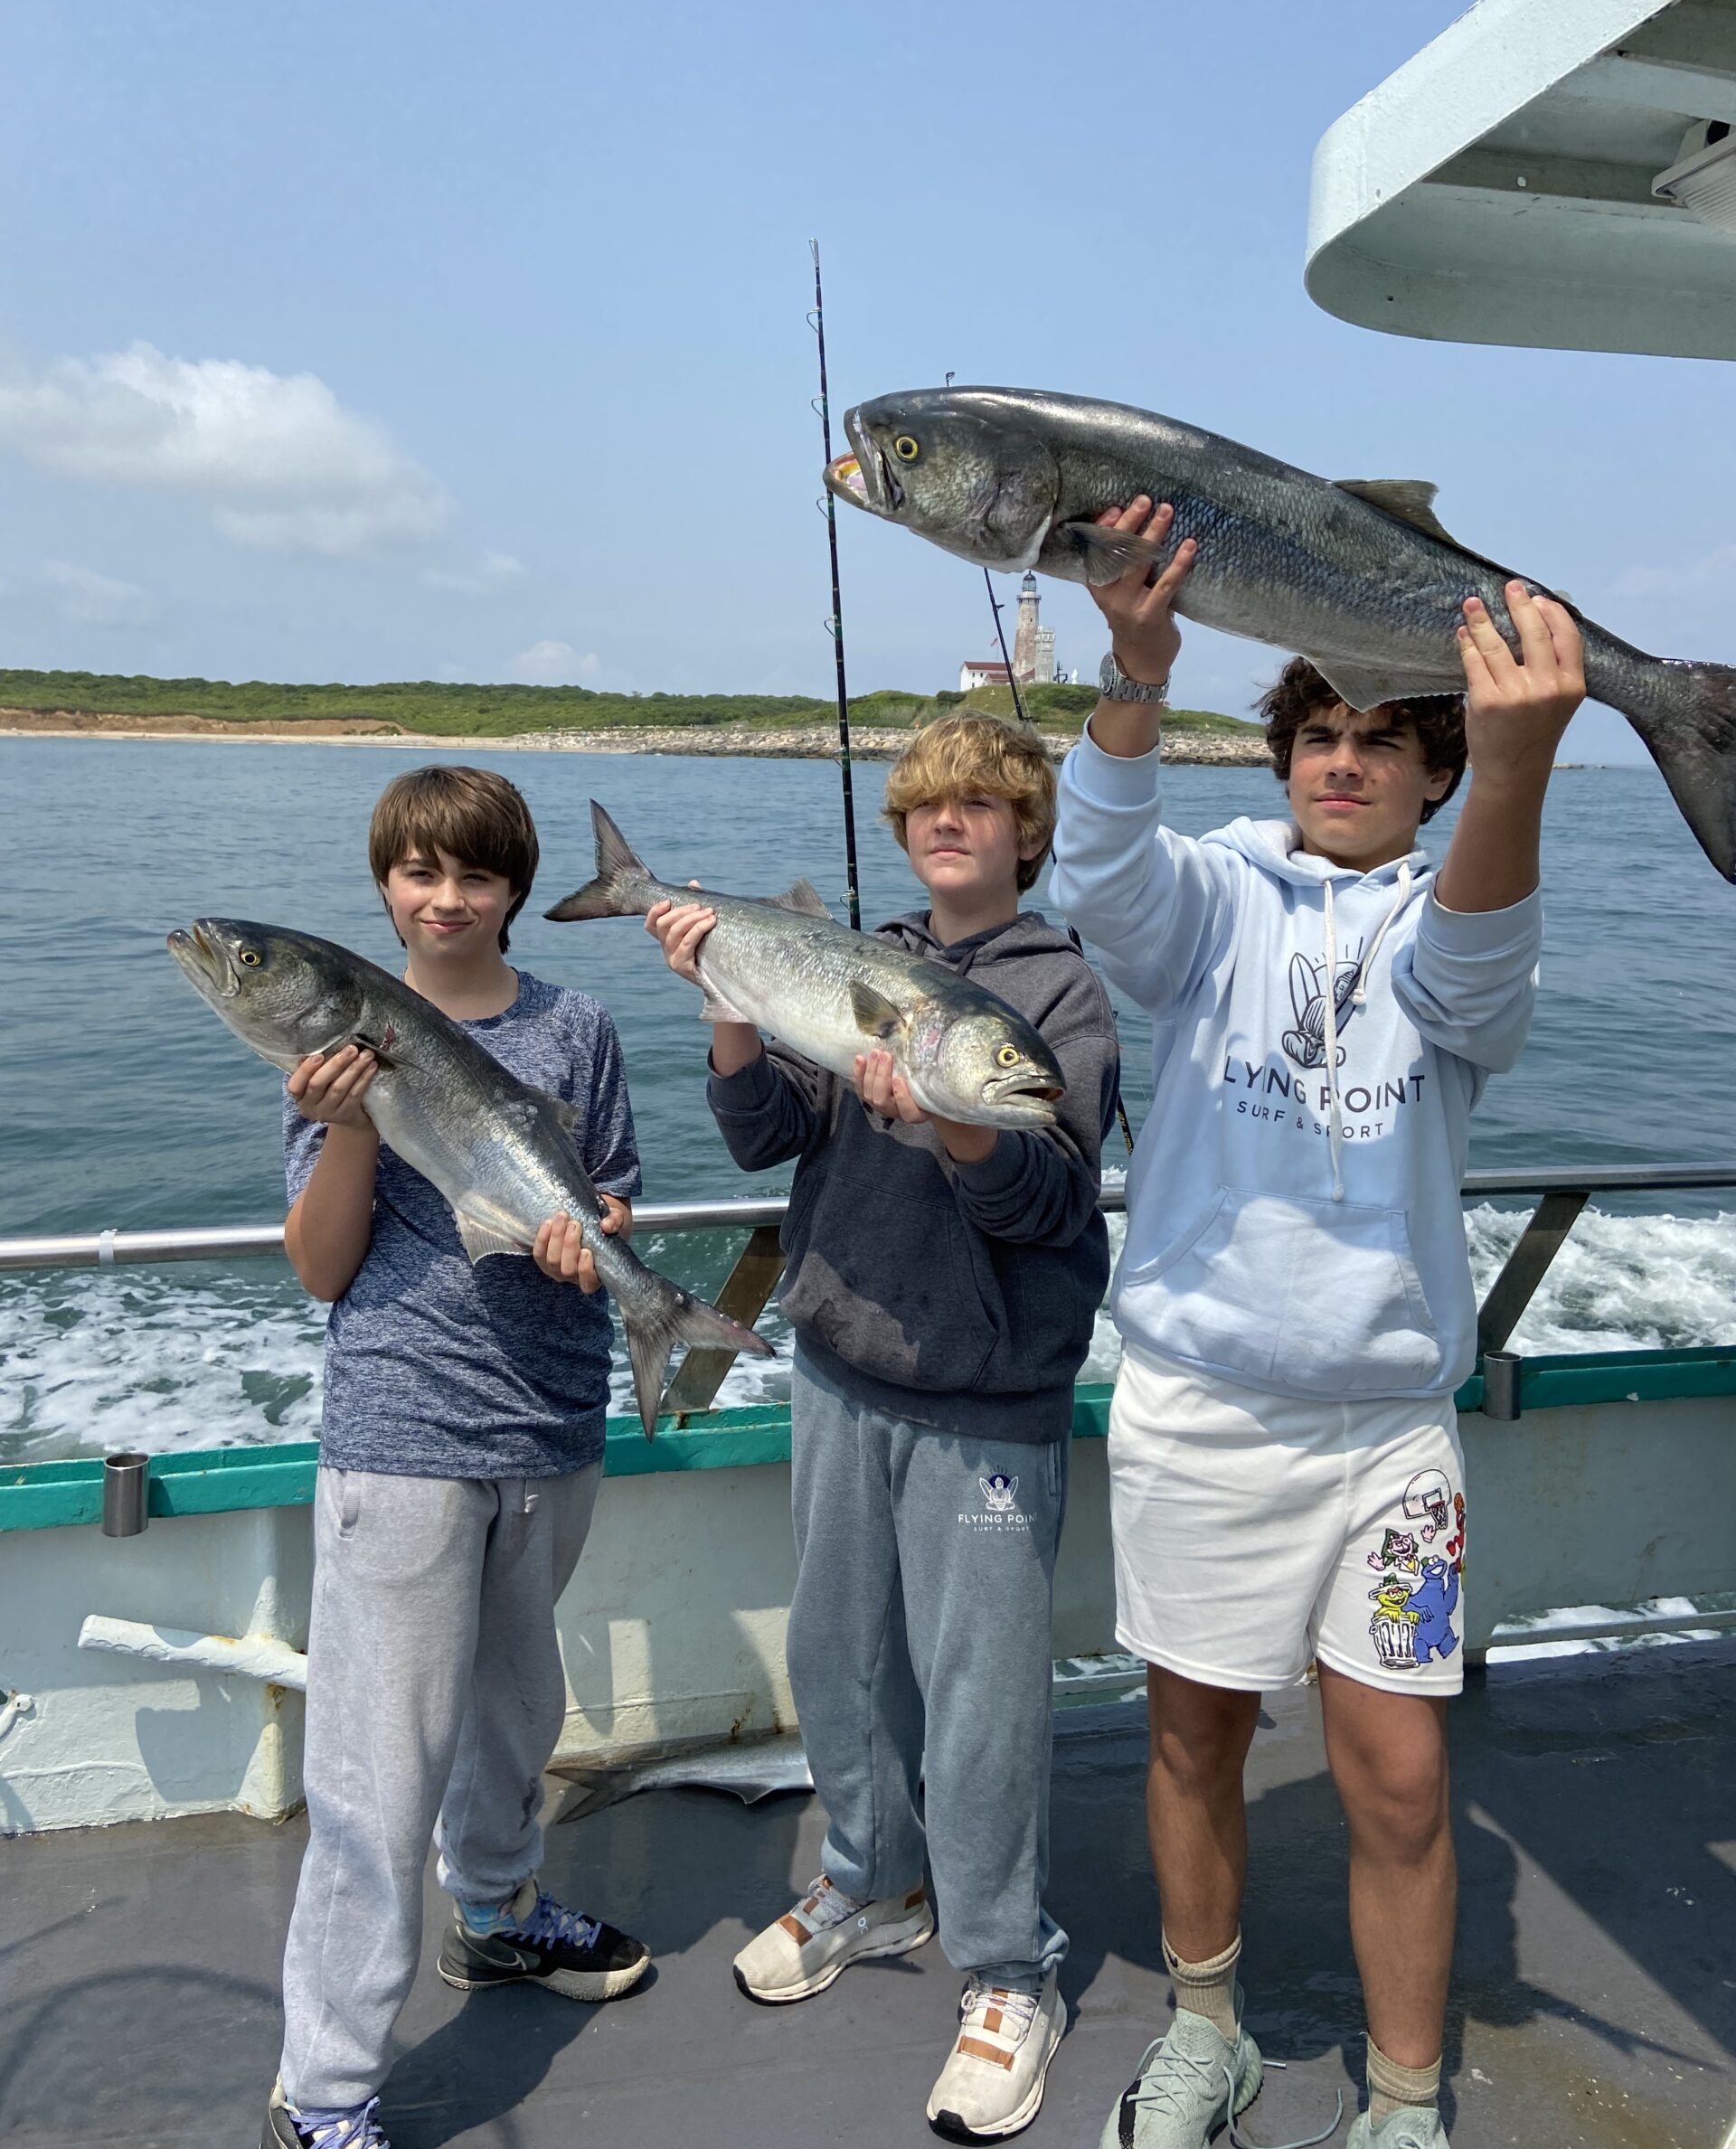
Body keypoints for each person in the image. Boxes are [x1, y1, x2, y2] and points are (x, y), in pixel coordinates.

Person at [1050, 500, 1583, 2149]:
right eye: (1318, 736)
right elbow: (1098, 878)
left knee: (1403, 1783)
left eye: (1381, 741)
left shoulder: (1457, 911)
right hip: (1200, 1406)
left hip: (1385, 1437)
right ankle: (1206, 2023)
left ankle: (1406, 2100)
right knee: (1193, 1740)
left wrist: (1521, 766)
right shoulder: (1211, 899)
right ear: (1281, 758)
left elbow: (1476, 972)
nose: (1342, 763)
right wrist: (1135, 673)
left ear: (1434, 775)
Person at [646, 712, 1120, 2144]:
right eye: (925, 807)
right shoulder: (850, 960)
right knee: (840, 1658)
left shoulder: (1065, 998)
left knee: (978, 1699)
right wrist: (728, 995)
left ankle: (1005, 1968)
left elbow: (1052, 1202)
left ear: (1029, 831)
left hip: (984, 1395)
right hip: (839, 1364)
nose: (949, 824)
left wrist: (962, 1128)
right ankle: (869, 1882)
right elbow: (759, 1135)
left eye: (982, 805)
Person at [265, 766, 651, 2149]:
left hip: (549, 1421)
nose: (445, 900)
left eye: (474, 877)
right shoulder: (341, 1042)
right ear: (385, 887)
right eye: (419, 875)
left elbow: (608, 1192)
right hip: (404, 1433)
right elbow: (321, 1270)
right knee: (376, 1770)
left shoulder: (578, 1027)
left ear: (513, 890)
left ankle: (496, 1913)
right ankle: (323, 2091)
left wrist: (592, 1227)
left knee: (512, 1708)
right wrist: (354, 1123)